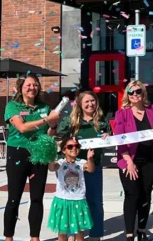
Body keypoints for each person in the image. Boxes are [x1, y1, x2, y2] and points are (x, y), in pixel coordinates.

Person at [3, 74, 60, 241]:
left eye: (35, 85)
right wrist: (46, 120)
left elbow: (50, 133)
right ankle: (9, 237)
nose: (32, 88)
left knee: (37, 198)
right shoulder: (13, 106)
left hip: (39, 153)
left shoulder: (44, 107)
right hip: (17, 153)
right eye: (28, 85)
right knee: (14, 197)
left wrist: (53, 125)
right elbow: (21, 127)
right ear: (21, 88)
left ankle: (35, 237)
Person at [58, 91, 111, 241]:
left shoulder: (101, 120)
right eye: (86, 101)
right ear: (80, 104)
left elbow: (110, 137)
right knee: (72, 201)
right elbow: (59, 138)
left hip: (94, 165)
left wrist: (107, 137)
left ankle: (95, 235)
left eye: (93, 101)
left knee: (95, 202)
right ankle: (72, 234)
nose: (90, 104)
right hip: (73, 168)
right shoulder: (71, 120)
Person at [114, 81, 153, 241]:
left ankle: (141, 230)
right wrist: (129, 162)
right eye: (131, 92)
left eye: (138, 91)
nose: (135, 94)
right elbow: (120, 139)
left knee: (145, 195)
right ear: (127, 95)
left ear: (143, 93)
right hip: (129, 159)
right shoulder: (122, 113)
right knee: (132, 195)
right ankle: (129, 234)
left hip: (150, 160)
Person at [47, 137, 95, 241]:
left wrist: (90, 159)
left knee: (79, 232)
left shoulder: (81, 162)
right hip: (62, 201)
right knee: (62, 232)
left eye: (76, 146)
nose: (74, 148)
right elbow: (51, 168)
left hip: (78, 201)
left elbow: (91, 169)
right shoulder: (60, 163)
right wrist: (51, 157)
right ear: (63, 150)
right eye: (70, 146)